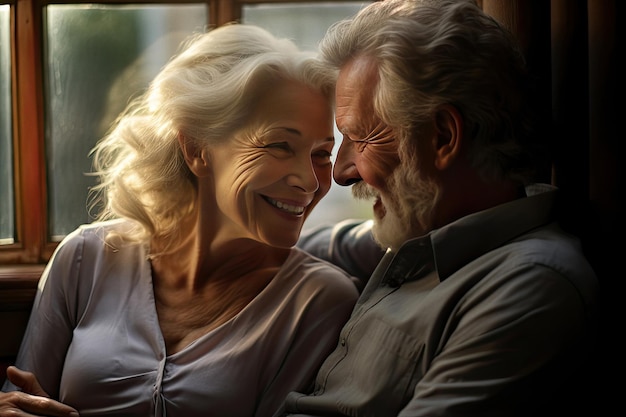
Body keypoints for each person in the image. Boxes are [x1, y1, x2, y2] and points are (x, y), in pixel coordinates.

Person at [0, 23, 360, 417]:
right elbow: (21, 399)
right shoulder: (84, 259)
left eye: (322, 154)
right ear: (197, 149)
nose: (310, 181)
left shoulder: (319, 302)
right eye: (280, 145)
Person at [281, 0, 599, 416]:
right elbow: (298, 245)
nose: (341, 172)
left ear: (443, 137)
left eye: (360, 139)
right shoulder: (422, 233)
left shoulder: (530, 288)